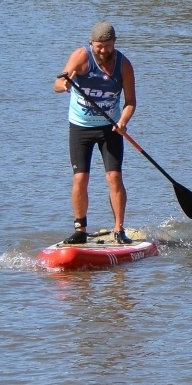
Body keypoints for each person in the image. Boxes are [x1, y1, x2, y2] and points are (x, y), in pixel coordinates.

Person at [54, 22, 137, 244]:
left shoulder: (124, 65)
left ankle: (119, 230)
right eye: (99, 46)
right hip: (80, 128)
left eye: (107, 46)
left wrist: (123, 122)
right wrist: (64, 85)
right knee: (80, 178)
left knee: (114, 177)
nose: (103, 51)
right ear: (92, 44)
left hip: (110, 128)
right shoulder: (81, 56)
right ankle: (80, 230)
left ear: (114, 43)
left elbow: (130, 102)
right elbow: (58, 83)